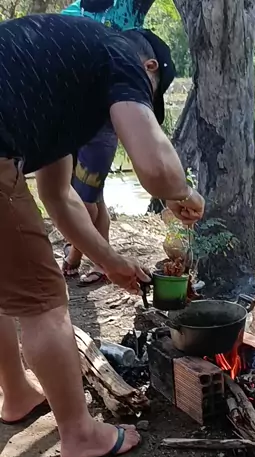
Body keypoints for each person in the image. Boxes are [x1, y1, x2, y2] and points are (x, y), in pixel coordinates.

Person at [0, 14, 204, 457]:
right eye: (146, 98)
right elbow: (156, 169)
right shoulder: (121, 55)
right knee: (43, 301)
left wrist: (110, 261)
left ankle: (15, 393)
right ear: (150, 68)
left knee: (8, 285)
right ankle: (80, 434)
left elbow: (58, 196)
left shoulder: (66, 78)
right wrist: (184, 194)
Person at [60, 0, 159, 285]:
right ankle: (99, 262)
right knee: (92, 196)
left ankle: (77, 257)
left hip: (106, 121)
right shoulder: (70, 14)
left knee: (85, 201)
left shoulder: (129, 6)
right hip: (71, 116)